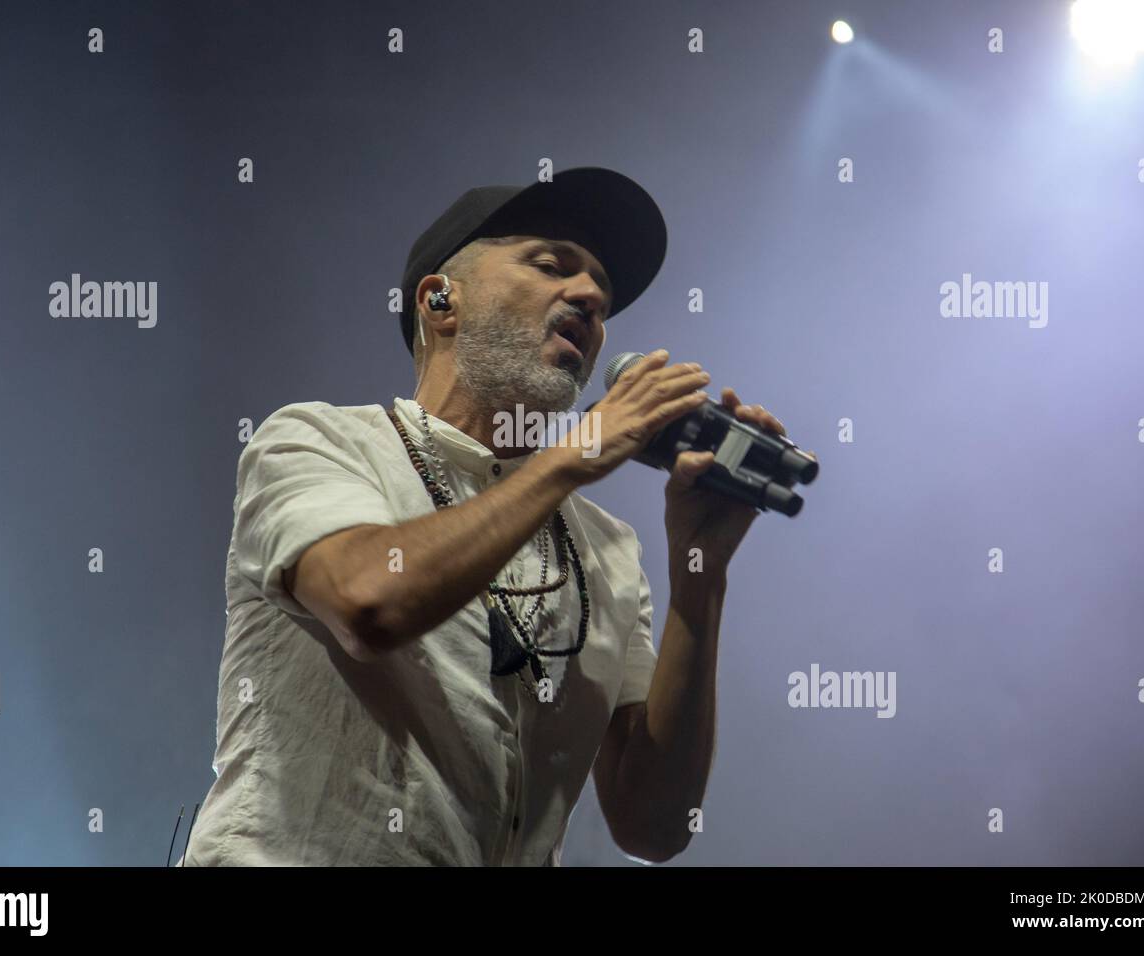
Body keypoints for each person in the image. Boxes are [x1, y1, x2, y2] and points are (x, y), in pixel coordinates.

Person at [182, 167, 794, 866]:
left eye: (603, 289)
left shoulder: (606, 550)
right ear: (441, 300)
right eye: (552, 265)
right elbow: (366, 603)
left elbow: (653, 826)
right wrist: (574, 456)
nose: (592, 296)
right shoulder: (317, 442)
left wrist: (701, 570)